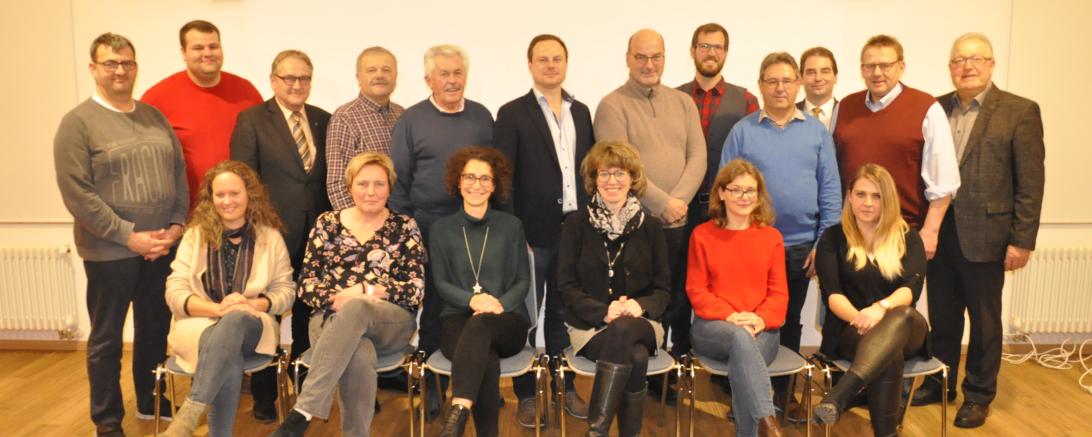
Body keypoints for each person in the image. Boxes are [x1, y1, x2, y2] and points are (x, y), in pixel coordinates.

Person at [53, 32, 188, 436]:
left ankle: (150, 401)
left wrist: (177, 224)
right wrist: (129, 236)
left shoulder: (153, 116)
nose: (120, 70)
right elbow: (77, 192)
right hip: (109, 252)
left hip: (162, 247)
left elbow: (178, 174)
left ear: (135, 67)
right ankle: (108, 419)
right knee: (107, 338)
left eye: (126, 62)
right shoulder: (77, 124)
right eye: (110, 63)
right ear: (94, 69)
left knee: (154, 330)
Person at [913, 32, 1045, 429]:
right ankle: (942, 383)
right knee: (943, 315)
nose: (967, 66)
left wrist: (1022, 240)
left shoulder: (1019, 111)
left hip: (988, 235)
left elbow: (1031, 181)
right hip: (939, 232)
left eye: (976, 59)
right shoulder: (934, 107)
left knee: (985, 321)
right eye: (959, 60)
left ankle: (979, 394)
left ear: (991, 65)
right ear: (950, 67)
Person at [271, 153, 425, 436]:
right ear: (349, 186)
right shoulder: (327, 223)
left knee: (356, 309)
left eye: (379, 184)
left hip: (389, 323)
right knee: (359, 351)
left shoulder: (405, 227)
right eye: (362, 183)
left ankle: (303, 410)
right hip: (330, 321)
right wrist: (334, 299)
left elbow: (415, 289)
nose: (370, 191)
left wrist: (366, 291)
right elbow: (306, 284)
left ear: (390, 188)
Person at [721, 52, 841, 412]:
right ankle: (749, 400)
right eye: (771, 81)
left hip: (801, 247)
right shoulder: (743, 130)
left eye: (787, 80)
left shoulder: (817, 132)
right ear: (760, 86)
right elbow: (724, 187)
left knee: (788, 326)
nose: (779, 88)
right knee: (750, 325)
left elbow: (830, 190)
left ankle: (783, 398)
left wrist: (825, 244)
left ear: (798, 84)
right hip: (750, 247)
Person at [595, 30, 705, 399]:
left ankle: (672, 370)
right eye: (641, 57)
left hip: (679, 223)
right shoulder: (612, 105)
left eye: (655, 56)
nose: (648, 64)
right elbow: (621, 167)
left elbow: (698, 157)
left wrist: (680, 201)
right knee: (643, 299)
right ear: (627, 58)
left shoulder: (683, 102)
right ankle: (643, 370)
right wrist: (663, 204)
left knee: (675, 298)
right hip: (637, 225)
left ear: (665, 58)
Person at [389, 44, 494, 416]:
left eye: (457, 73)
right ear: (428, 79)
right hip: (429, 226)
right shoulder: (412, 120)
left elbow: (494, 173)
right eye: (444, 74)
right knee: (435, 306)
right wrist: (406, 233)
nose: (452, 80)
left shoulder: (482, 117)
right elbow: (398, 182)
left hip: (476, 224)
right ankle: (434, 386)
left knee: (475, 303)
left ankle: (474, 381)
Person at [495, 33, 593, 424]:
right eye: (543, 59)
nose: (551, 65)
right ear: (531, 65)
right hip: (532, 233)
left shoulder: (582, 111)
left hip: (576, 230)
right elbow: (504, 178)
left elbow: (591, 171)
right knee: (526, 314)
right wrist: (515, 234)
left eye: (557, 58)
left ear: (566, 63)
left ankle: (565, 386)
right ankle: (526, 394)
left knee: (565, 313)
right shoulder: (512, 112)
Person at [229, 50, 332, 419]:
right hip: (269, 234)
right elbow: (244, 180)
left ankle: (305, 390)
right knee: (267, 312)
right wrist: (255, 230)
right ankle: (264, 395)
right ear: (273, 81)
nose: (297, 85)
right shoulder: (252, 120)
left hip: (316, 235)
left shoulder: (323, 119)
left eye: (304, 77)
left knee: (308, 311)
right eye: (289, 78)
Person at [162, 161, 295, 436]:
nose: (227, 201)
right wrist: (216, 309)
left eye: (234, 193)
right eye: (219, 194)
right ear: (211, 198)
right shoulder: (194, 236)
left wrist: (251, 305)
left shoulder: (270, 238)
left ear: (249, 194)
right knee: (228, 355)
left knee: (235, 320)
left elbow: (286, 292)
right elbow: (174, 292)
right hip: (199, 326)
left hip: (253, 327)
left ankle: (189, 414)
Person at [558, 141, 671, 437]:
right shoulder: (575, 224)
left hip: (643, 322)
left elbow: (663, 289)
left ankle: (596, 430)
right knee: (636, 357)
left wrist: (641, 306)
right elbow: (566, 285)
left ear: (632, 178)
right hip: (591, 327)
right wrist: (602, 311)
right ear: (594, 179)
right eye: (604, 174)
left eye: (619, 173)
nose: (612, 181)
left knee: (625, 328)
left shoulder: (652, 227)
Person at [811, 164, 930, 437]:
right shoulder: (832, 238)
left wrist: (880, 309)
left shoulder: (908, 237)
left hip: (905, 329)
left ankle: (841, 394)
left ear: (887, 200)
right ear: (849, 196)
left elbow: (911, 288)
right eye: (861, 194)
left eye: (876, 196)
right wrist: (861, 320)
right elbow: (833, 295)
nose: (867, 203)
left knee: (903, 314)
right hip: (851, 329)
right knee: (890, 353)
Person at [429, 147, 530, 437]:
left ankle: (457, 412)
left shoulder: (512, 226)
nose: (477, 184)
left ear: (495, 186)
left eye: (485, 179)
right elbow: (441, 282)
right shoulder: (441, 229)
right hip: (456, 319)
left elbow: (523, 280)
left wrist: (497, 304)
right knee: (483, 354)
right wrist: (472, 300)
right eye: (470, 177)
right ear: (458, 182)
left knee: (481, 324)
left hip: (507, 319)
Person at [831, 34, 960, 259]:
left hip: (902, 235)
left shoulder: (926, 108)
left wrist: (930, 232)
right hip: (851, 234)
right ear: (861, 70)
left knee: (896, 296)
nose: (877, 73)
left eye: (885, 65)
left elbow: (944, 181)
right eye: (870, 66)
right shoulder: (844, 107)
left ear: (901, 67)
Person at [687, 159, 788, 437]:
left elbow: (778, 294)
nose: (744, 197)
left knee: (744, 353)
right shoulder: (702, 235)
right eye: (736, 190)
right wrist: (731, 317)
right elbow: (697, 290)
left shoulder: (771, 237)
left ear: (759, 195)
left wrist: (758, 319)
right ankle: (768, 421)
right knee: (739, 339)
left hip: (762, 329)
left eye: (750, 191)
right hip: (713, 328)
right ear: (721, 192)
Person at [142, 19, 263, 210]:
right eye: (198, 48)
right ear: (183, 52)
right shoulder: (157, 98)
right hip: (186, 215)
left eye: (213, 46)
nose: (207, 53)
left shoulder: (247, 92)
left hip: (241, 213)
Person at [676, 22, 760, 226]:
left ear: (725, 52)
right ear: (692, 51)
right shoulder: (672, 98)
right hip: (680, 208)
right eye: (704, 46)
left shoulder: (746, 100)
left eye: (717, 47)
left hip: (729, 210)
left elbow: (753, 160)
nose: (710, 53)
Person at [326, 46, 405, 210]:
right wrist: (357, 226)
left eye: (386, 70)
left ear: (396, 76)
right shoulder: (344, 117)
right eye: (371, 70)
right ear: (358, 77)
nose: (379, 75)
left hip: (402, 218)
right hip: (363, 223)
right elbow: (337, 182)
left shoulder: (403, 114)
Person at [797, 47, 839, 129]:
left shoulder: (849, 115)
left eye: (825, 71)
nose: (818, 78)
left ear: (835, 77)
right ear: (801, 78)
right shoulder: (787, 115)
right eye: (811, 72)